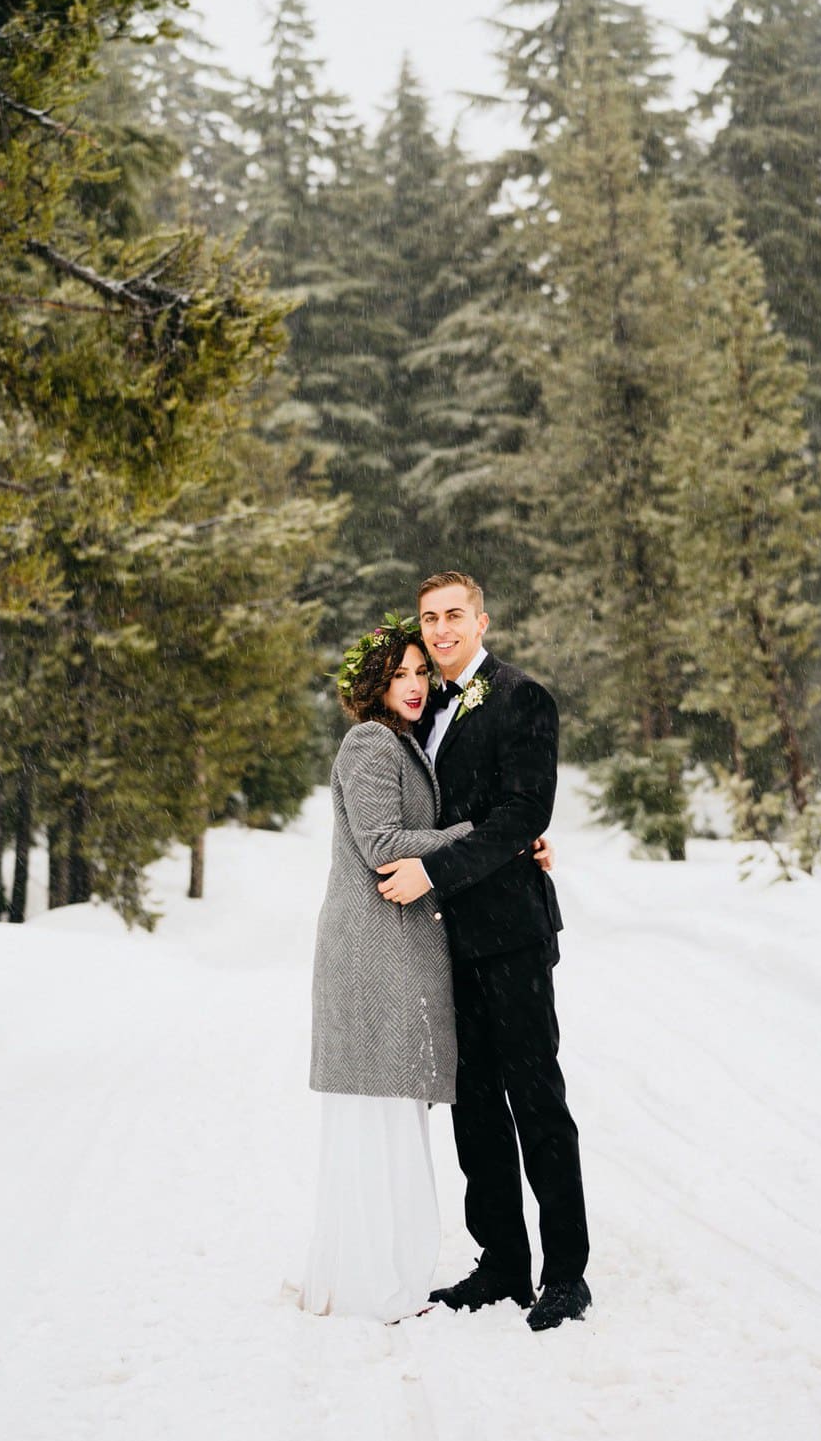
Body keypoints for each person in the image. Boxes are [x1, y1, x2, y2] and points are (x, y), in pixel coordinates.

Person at [375, 570, 591, 1331]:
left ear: (481, 619)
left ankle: (565, 1273)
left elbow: (523, 810)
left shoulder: (520, 696)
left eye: (453, 615)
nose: (439, 629)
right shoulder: (419, 704)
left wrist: (436, 867)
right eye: (429, 617)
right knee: (474, 1108)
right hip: (444, 942)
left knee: (537, 1100)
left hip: (511, 937)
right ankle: (502, 1261)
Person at [295, 619, 474, 1322]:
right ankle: (371, 1282)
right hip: (371, 954)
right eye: (399, 673)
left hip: (390, 949)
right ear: (373, 683)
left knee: (391, 1112)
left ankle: (382, 1272)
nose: (413, 685)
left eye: (420, 673)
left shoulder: (403, 743)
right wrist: (475, 835)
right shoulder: (369, 741)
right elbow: (381, 842)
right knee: (378, 1114)